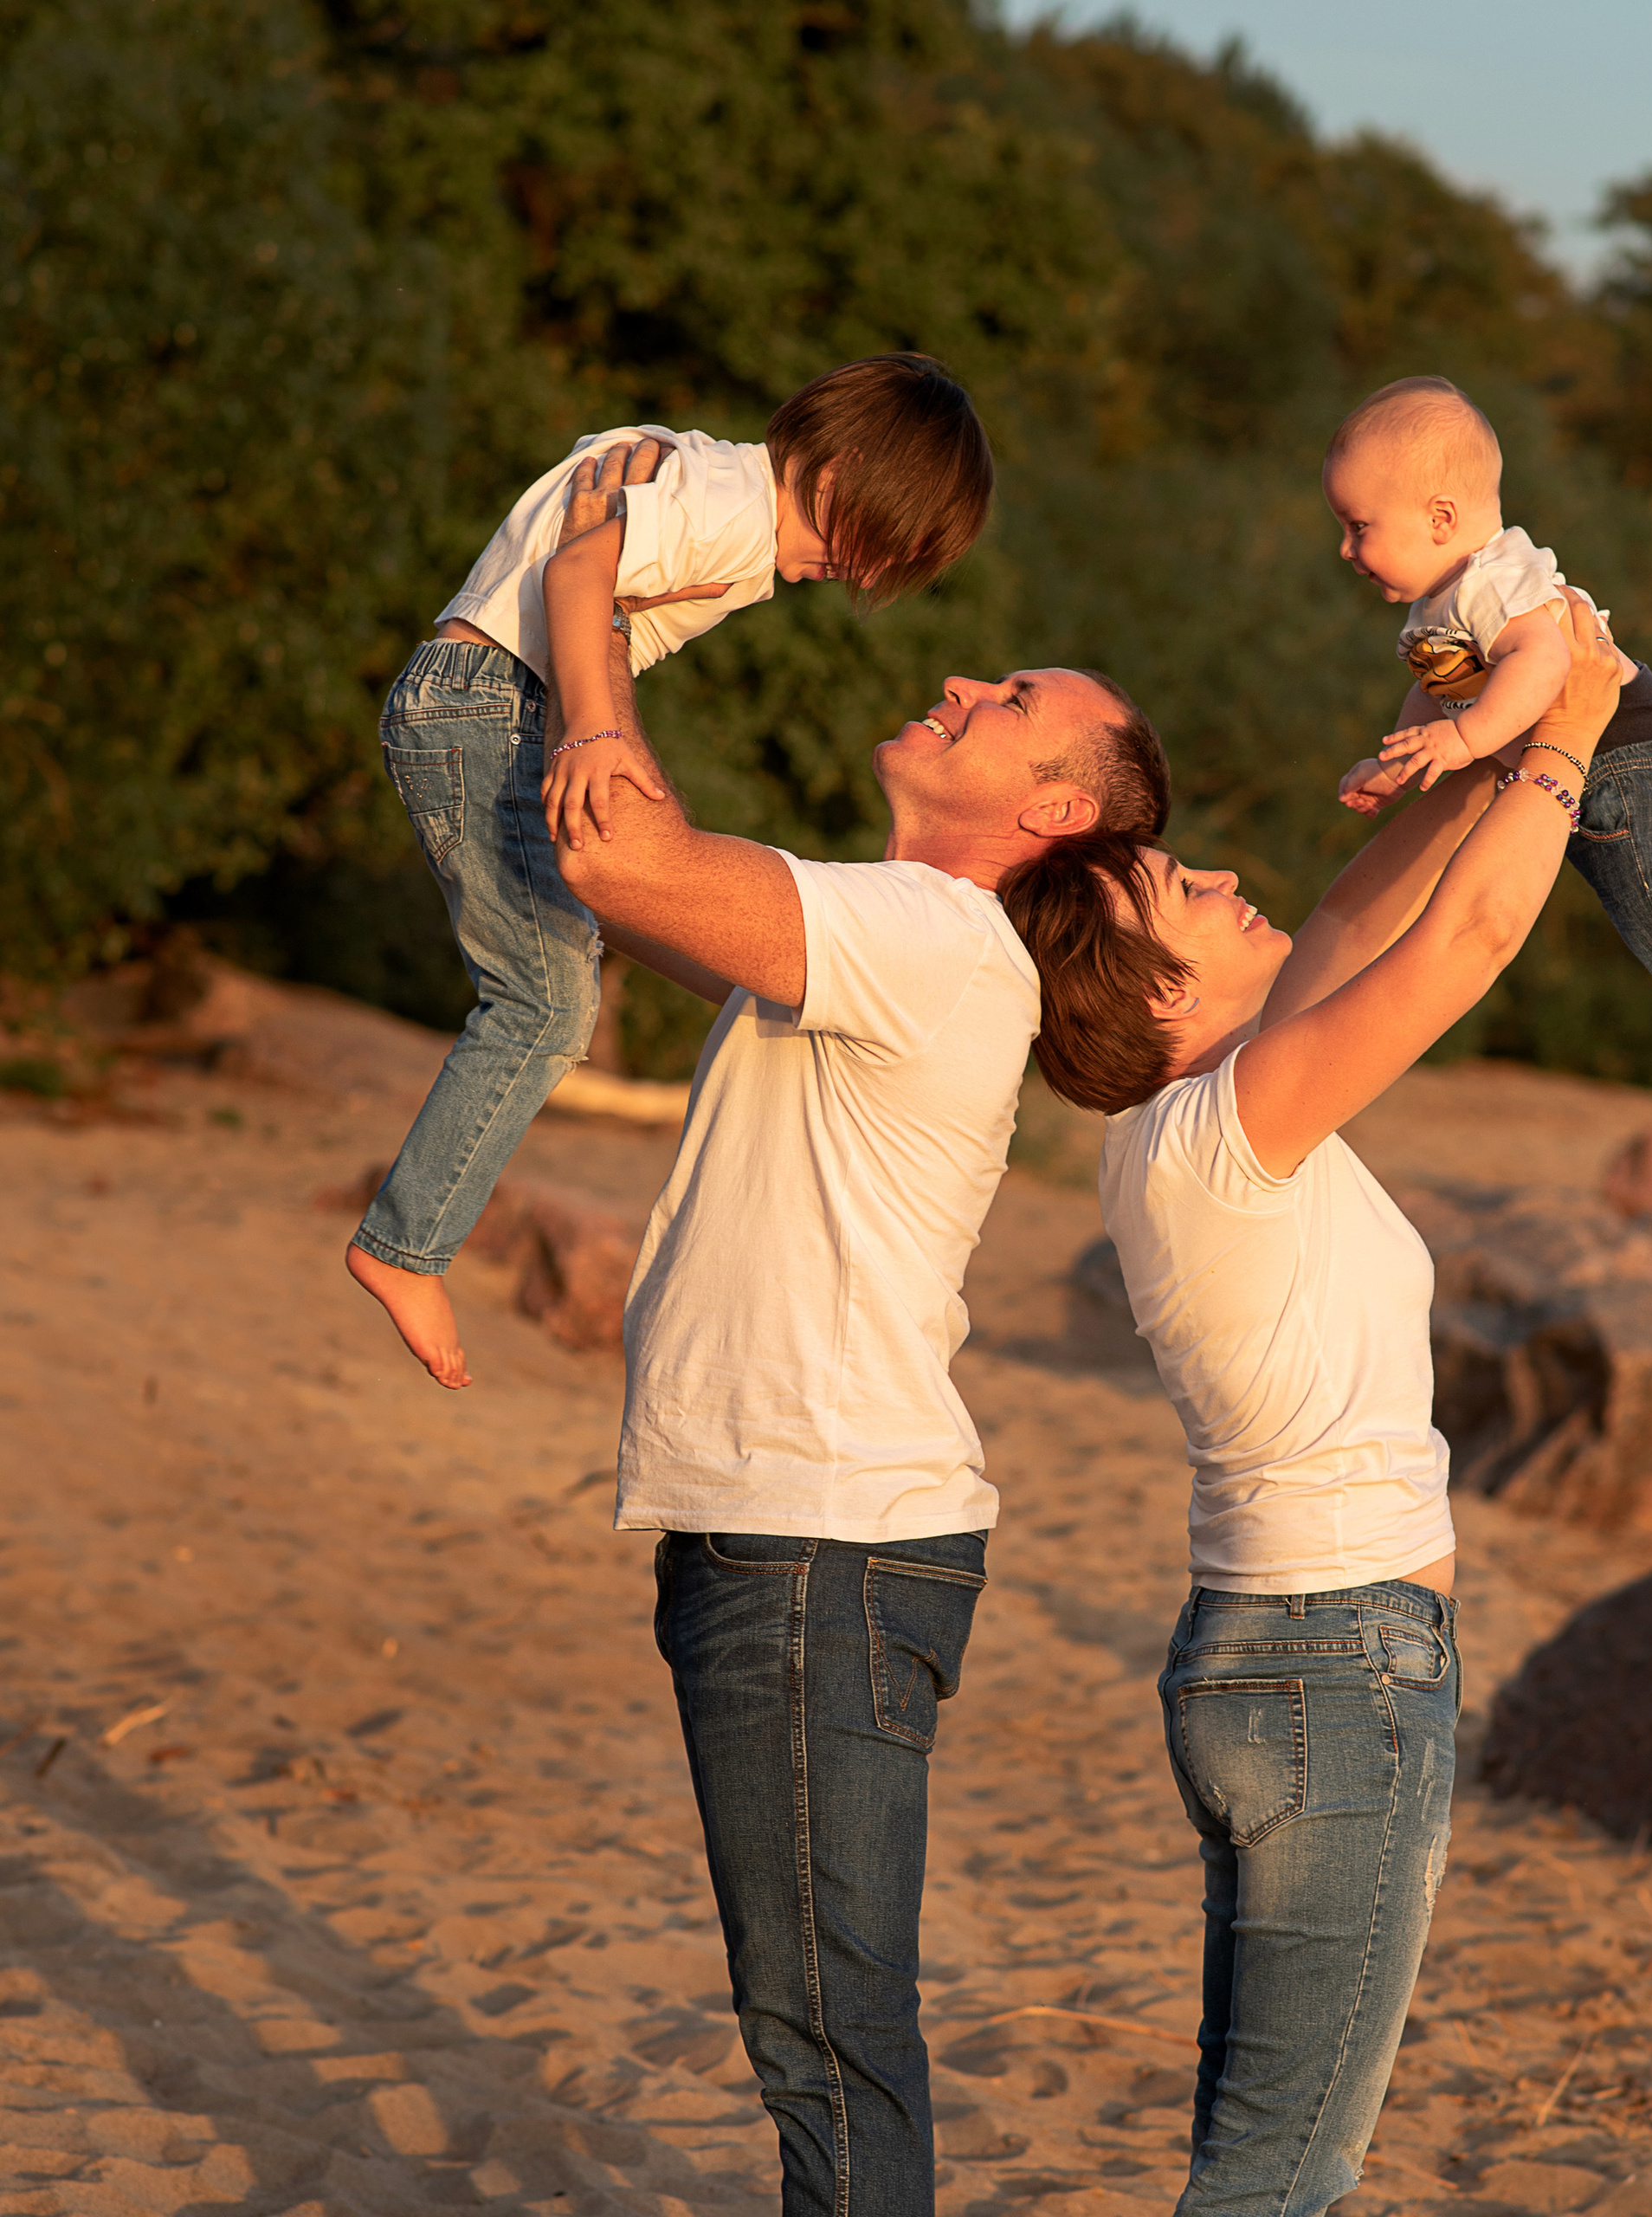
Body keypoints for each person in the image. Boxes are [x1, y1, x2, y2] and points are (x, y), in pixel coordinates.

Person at [545, 483, 1171, 2217]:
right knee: (820, 2025)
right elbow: (633, 862)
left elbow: (619, 853)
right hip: (790, 1536)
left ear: (1051, 808)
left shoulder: (934, 942)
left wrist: (591, 592)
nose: (966, 680)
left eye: (1015, 701)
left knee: (827, 2033)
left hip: (817, 1543)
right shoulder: (887, 936)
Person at [997, 601, 1626, 2217]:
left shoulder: (1187, 1125)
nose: (1218, 876)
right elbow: (1465, 948)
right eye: (1177, 893)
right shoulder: (1225, 1126)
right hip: (1334, 1674)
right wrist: (1576, 728)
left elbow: (1356, 915)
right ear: (1151, 999)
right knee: (1286, 2178)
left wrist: (1469, 744)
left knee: (1256, 2150)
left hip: (1272, 1658)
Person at [347, 355, 995, 1389]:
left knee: (619, 926)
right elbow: (573, 573)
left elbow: (598, 490)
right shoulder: (738, 508)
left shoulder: (711, 481)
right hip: (486, 704)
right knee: (542, 1011)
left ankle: (409, 1240)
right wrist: (596, 731)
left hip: (488, 701)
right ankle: (403, 1243)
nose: (861, 576)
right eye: (867, 544)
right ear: (839, 474)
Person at [1328, 374, 1652, 1099]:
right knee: (1634, 909)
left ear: (1440, 518)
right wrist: (1399, 760)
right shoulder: (1442, 604)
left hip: (1640, 763)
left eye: (1358, 526)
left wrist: (1462, 745)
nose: (1345, 550)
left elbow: (1544, 659)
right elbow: (1436, 689)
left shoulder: (1491, 582)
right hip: (1599, 775)